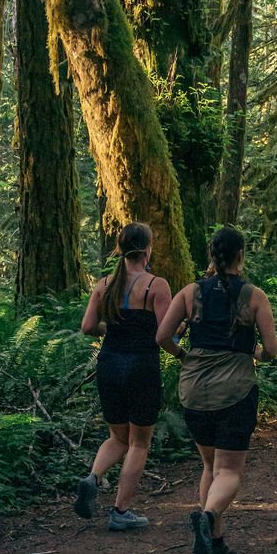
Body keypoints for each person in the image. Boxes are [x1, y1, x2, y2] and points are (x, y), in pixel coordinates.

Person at [155, 227, 277, 554]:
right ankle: (207, 517)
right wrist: (252, 353)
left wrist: (184, 357)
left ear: (212, 255)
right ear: (241, 255)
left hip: (194, 391)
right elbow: (271, 349)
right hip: (235, 391)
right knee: (229, 471)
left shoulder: (190, 292)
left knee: (209, 465)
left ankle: (216, 539)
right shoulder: (253, 296)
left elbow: (163, 337)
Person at [75, 222, 180, 531]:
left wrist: (114, 328)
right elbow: (165, 333)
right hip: (141, 367)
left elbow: (87, 327)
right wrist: (183, 346)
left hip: (108, 364)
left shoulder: (104, 284)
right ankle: (120, 511)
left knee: (117, 437)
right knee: (139, 443)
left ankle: (92, 478)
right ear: (148, 249)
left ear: (119, 248)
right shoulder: (156, 285)